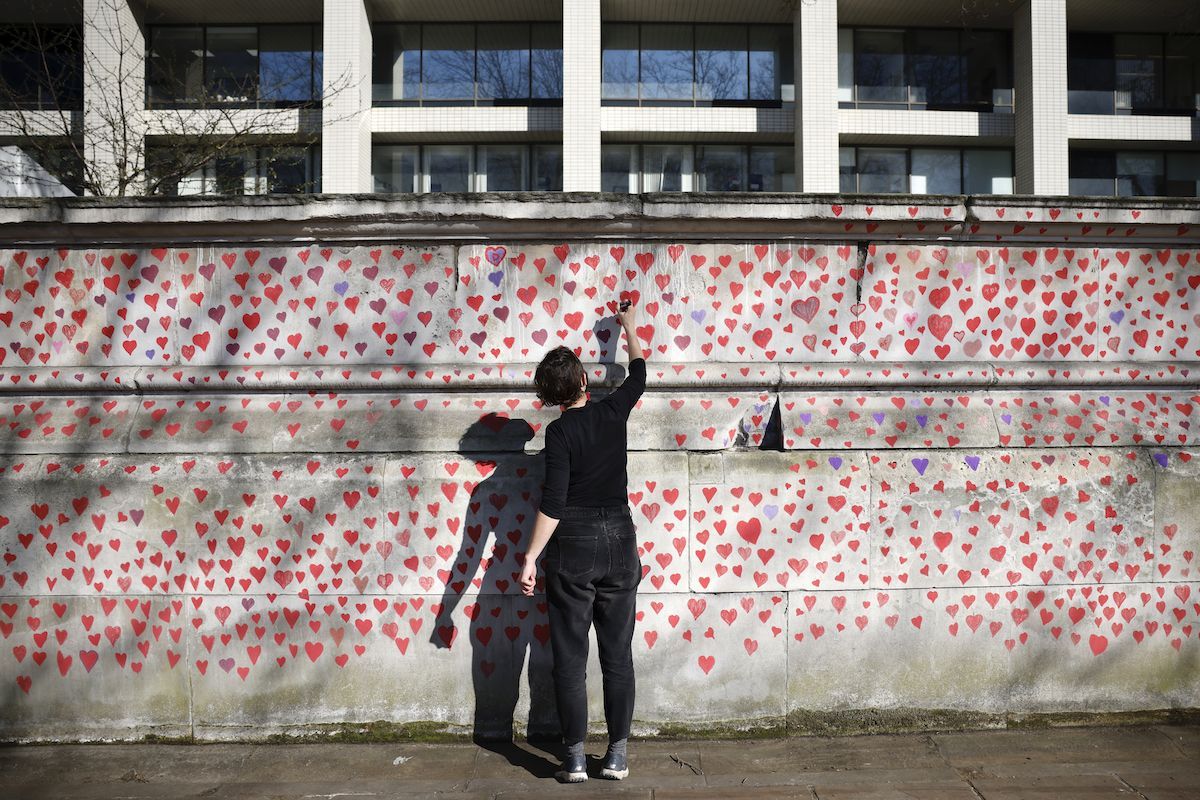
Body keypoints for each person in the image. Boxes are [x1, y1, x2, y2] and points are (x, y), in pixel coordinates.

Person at [520, 299, 647, 783]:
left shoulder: (558, 435)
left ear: (552, 398)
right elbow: (637, 372)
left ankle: (573, 758)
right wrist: (627, 328)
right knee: (618, 656)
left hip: (572, 543)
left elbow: (552, 503)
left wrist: (531, 557)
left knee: (571, 658)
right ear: (584, 383)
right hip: (620, 538)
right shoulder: (615, 411)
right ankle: (615, 756)